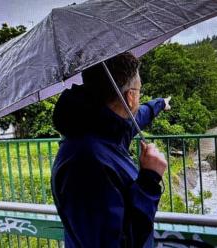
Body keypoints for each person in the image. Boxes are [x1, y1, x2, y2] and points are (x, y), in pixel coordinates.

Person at [51, 52, 171, 247]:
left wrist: (160, 104)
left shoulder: (98, 129)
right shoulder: (88, 162)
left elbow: (138, 117)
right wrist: (149, 180)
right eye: (138, 91)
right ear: (130, 97)